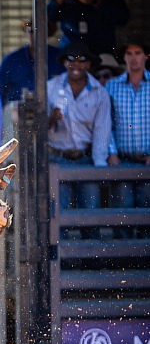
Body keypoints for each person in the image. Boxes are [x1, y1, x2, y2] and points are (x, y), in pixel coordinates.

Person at [47, 41, 112, 239]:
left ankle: (91, 262)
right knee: (60, 211)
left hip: (86, 159)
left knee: (90, 212)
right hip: (58, 157)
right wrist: (51, 119)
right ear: (64, 62)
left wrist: (99, 168)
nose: (76, 64)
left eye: (82, 60)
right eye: (71, 59)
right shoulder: (50, 87)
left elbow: (102, 132)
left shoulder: (99, 93)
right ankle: (62, 264)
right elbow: (37, 128)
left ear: (89, 64)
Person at [106, 38, 150, 239]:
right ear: (124, 57)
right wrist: (112, 152)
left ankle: (142, 262)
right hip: (122, 160)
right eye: (129, 54)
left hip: (147, 161)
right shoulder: (112, 87)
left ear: (146, 56)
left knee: (146, 211)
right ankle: (123, 260)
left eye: (138, 53)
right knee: (122, 212)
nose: (134, 59)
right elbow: (106, 123)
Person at [47, 0, 130, 55]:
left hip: (101, 51)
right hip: (70, 51)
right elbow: (50, 17)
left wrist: (96, 2)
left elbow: (123, 19)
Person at [0, 18, 64, 106]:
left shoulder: (59, 58)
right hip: (18, 115)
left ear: (47, 33)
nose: (35, 34)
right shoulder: (11, 60)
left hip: (52, 114)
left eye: (40, 31)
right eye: (31, 30)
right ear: (26, 32)